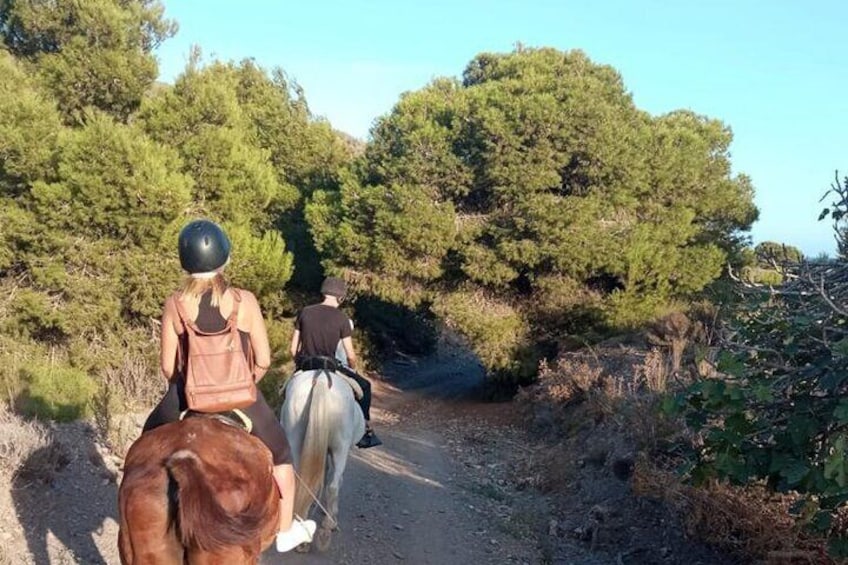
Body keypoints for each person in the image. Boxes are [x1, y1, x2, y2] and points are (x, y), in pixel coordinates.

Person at [142, 219, 316, 553]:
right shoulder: (244, 301)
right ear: (224, 257)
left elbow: (167, 367)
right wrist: (241, 383)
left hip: (185, 397)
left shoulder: (175, 303)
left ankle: (138, 514)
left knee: (143, 452)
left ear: (184, 260)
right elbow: (263, 359)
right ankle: (284, 532)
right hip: (240, 398)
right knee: (281, 454)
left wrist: (189, 386)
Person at [289, 276, 382, 448]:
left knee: (286, 392)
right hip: (329, 365)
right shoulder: (342, 319)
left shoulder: (305, 312)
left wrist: (299, 364)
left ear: (323, 293)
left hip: (306, 364)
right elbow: (351, 355)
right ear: (341, 297)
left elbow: (293, 349)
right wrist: (352, 368)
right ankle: (366, 430)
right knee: (365, 386)